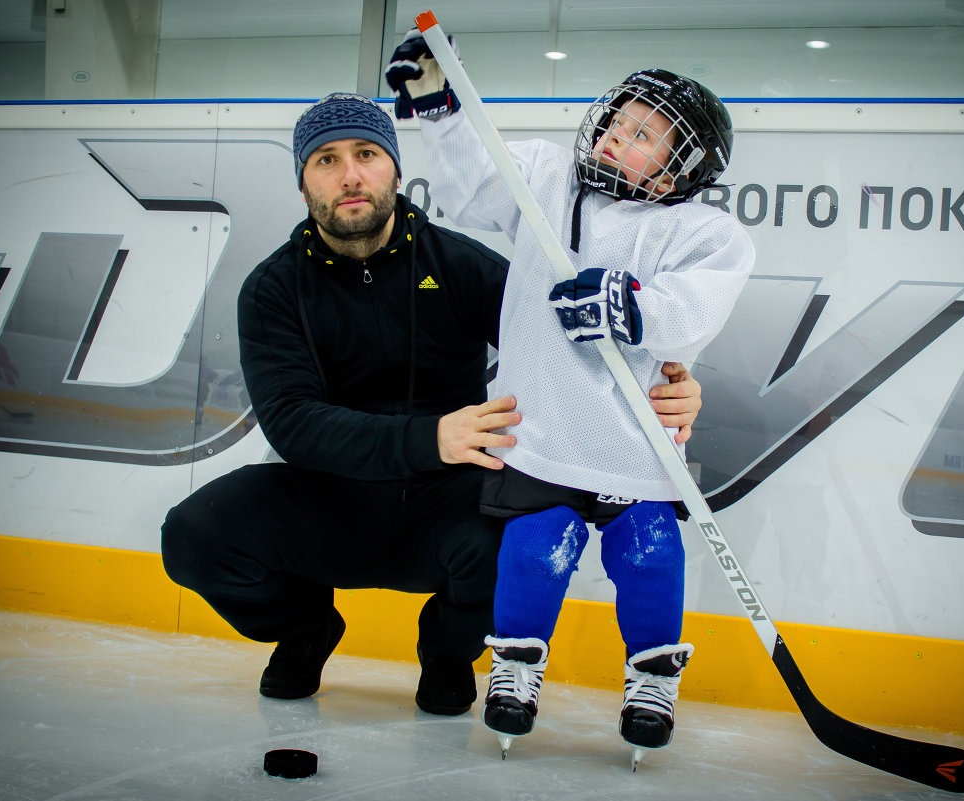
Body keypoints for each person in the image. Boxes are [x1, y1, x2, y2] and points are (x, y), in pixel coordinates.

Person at [159, 91, 705, 718]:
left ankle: (446, 658)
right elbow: (291, 423)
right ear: (304, 182)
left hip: (448, 500)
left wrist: (670, 384)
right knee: (195, 535)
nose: (350, 175)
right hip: (326, 496)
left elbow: (575, 349)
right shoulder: (274, 288)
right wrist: (429, 437)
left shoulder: (459, 266)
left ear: (394, 167)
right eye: (326, 160)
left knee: (518, 540)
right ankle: (307, 629)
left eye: (366, 154)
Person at [387, 34, 755, 758]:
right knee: (532, 551)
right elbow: (471, 183)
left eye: (644, 133)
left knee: (651, 556)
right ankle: (516, 669)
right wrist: (440, 107)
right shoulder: (550, 179)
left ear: (686, 161)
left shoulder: (704, 230)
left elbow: (698, 305)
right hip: (545, 434)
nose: (619, 135)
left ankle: (652, 680)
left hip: (633, 446)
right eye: (619, 120)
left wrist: (630, 305)